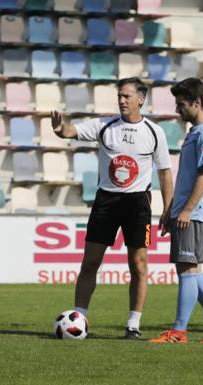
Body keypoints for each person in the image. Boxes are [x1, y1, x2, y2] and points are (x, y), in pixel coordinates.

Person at [51, 77, 173, 339]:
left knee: (138, 265)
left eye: (127, 96)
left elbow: (164, 172)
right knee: (90, 262)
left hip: (138, 202)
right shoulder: (104, 126)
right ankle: (79, 317)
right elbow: (70, 132)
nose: (122, 100)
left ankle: (133, 325)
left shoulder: (154, 131)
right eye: (119, 96)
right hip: (106, 200)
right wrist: (61, 127)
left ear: (141, 99)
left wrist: (167, 208)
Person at [149, 78, 203, 343]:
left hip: (194, 213)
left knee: (187, 270)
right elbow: (186, 176)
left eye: (181, 104)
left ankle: (178, 331)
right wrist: (172, 210)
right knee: (191, 271)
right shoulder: (196, 132)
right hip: (185, 211)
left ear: (197, 103)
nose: (177, 109)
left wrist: (186, 210)